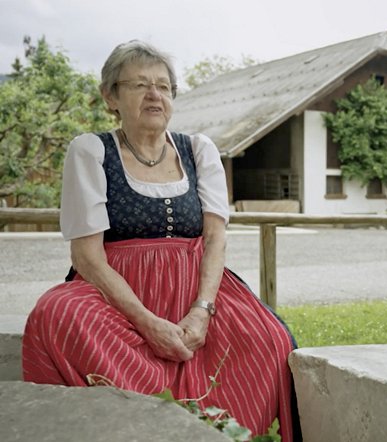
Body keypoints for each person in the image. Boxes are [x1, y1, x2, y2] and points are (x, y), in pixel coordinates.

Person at [22, 40, 298, 441]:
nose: (154, 95)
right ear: (111, 97)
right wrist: (148, 323)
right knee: (57, 313)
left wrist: (202, 311)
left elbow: (216, 237)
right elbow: (86, 255)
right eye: (138, 85)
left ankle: (227, 436)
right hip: (117, 292)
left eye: (164, 86)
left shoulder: (198, 149)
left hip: (195, 289)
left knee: (267, 338)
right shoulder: (91, 151)